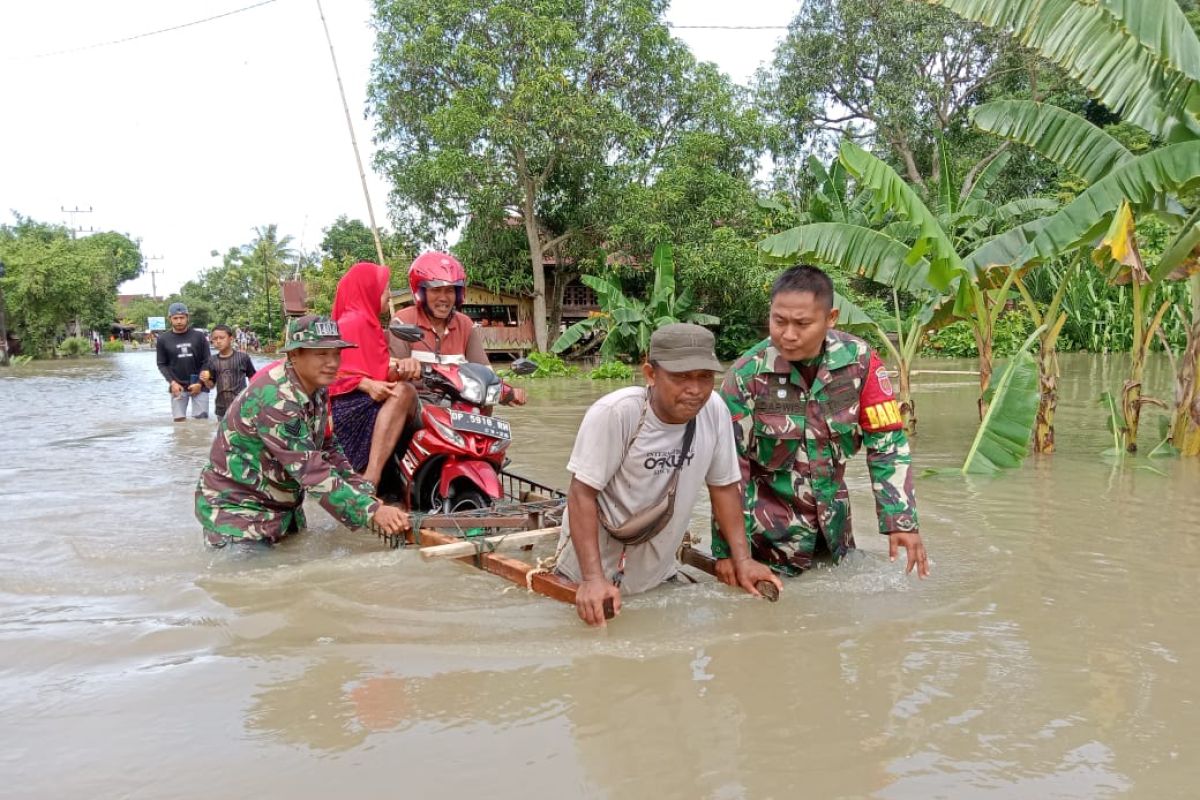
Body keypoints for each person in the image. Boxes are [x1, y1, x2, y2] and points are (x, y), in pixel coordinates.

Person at [554, 323, 781, 627]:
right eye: (681, 377)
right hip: (587, 579)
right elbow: (582, 493)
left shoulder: (714, 410)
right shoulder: (617, 413)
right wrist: (593, 579)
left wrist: (742, 560)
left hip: (660, 574)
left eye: (704, 377)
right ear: (650, 374)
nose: (695, 389)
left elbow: (724, 487)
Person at [712, 265, 929, 581]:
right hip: (766, 549)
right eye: (779, 321)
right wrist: (729, 554)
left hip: (835, 539)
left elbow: (887, 444)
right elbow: (728, 473)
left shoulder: (860, 363)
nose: (788, 334)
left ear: (831, 318)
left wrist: (901, 521)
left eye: (802, 324)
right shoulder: (746, 377)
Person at [194, 315, 410, 547]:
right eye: (321, 354)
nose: (332, 363)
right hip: (238, 516)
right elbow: (311, 472)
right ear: (294, 355)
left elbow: (328, 447)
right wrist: (372, 511)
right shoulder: (276, 398)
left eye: (336, 353)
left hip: (281, 510)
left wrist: (366, 495)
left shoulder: (316, 388)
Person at [387, 251, 526, 406]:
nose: (443, 297)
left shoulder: (465, 324)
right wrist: (406, 366)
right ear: (422, 292)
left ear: (458, 293)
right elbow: (392, 374)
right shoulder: (403, 320)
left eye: (450, 290)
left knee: (485, 404)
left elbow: (485, 372)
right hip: (417, 407)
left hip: (459, 405)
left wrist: (507, 391)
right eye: (435, 289)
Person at [329, 261, 419, 490]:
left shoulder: (370, 324)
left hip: (364, 400)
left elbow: (377, 369)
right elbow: (328, 375)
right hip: (347, 407)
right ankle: (371, 477)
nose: (388, 295)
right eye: (384, 289)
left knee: (405, 389)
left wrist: (400, 369)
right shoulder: (352, 322)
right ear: (368, 290)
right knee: (406, 392)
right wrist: (365, 383)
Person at [155, 302, 211, 421]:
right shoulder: (163, 339)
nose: (179, 321)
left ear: (187, 318)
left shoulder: (199, 336)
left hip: (199, 385)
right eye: (175, 318)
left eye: (182, 317)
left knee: (201, 423)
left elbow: (207, 361)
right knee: (179, 424)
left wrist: (200, 383)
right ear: (170, 319)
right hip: (177, 386)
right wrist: (172, 382)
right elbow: (161, 364)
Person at [199, 324, 257, 420]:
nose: (218, 341)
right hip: (221, 408)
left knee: (242, 433)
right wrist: (205, 380)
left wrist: (254, 400)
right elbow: (211, 385)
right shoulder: (212, 361)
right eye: (215, 339)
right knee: (223, 434)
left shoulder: (243, 358)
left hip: (241, 406)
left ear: (231, 338)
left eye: (222, 338)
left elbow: (253, 379)